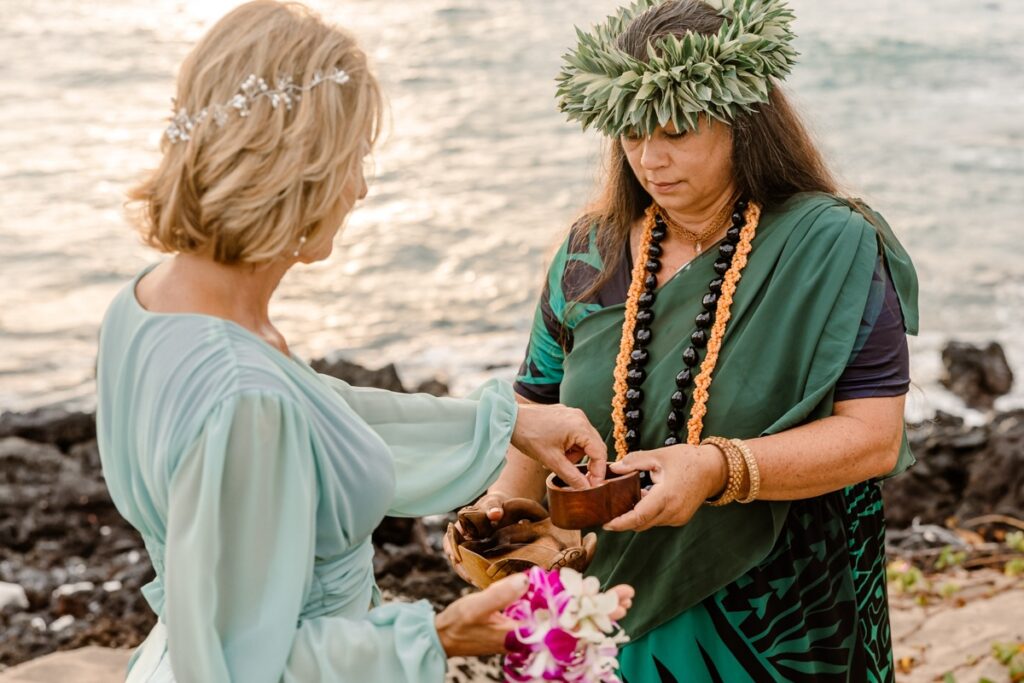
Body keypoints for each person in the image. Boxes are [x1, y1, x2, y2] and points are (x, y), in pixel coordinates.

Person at [96, 2, 632, 681]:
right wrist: (440, 635)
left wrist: (509, 422)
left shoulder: (147, 305)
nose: (361, 187)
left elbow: (317, 413)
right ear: (300, 170)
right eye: (354, 159)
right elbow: (238, 667)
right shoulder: (244, 400)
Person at [447, 0, 919, 680]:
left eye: (675, 130)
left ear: (743, 121)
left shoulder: (833, 246)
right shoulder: (589, 254)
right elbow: (537, 413)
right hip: (610, 616)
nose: (650, 158)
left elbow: (874, 437)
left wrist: (717, 467)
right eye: (631, 133)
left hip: (781, 621)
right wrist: (498, 514)